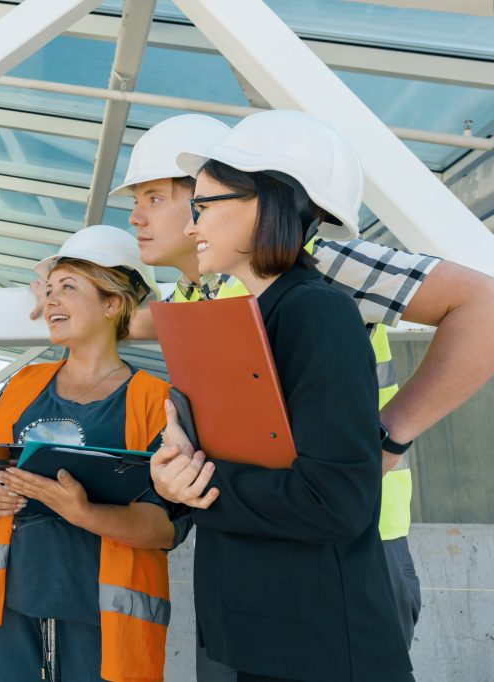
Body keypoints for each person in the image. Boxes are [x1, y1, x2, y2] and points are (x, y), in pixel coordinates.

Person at [150, 110, 413, 681]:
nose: (192, 227)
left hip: (319, 648)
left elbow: (336, 500)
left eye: (204, 207)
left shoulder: (316, 313)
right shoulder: (248, 316)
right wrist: (170, 476)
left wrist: (203, 482)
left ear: (267, 203)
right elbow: (225, 455)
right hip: (267, 632)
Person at [0, 224, 186, 682]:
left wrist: (82, 511)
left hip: (108, 615)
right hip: (15, 604)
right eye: (49, 290)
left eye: (68, 288)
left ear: (112, 304)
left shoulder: (155, 401)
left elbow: (166, 526)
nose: (51, 301)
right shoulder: (21, 386)